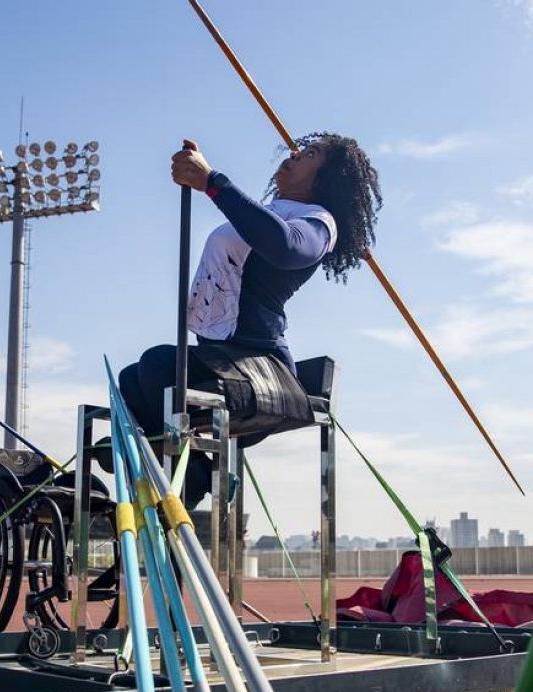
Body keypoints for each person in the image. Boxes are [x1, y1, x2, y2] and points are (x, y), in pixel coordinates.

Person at [118, 133, 382, 508]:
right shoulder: (269, 210)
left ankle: (192, 481)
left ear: (325, 179)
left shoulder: (318, 223)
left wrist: (213, 183)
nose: (294, 154)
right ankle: (180, 484)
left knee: (157, 364)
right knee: (131, 379)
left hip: (259, 370)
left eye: (309, 154)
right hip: (220, 360)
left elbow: (287, 247)